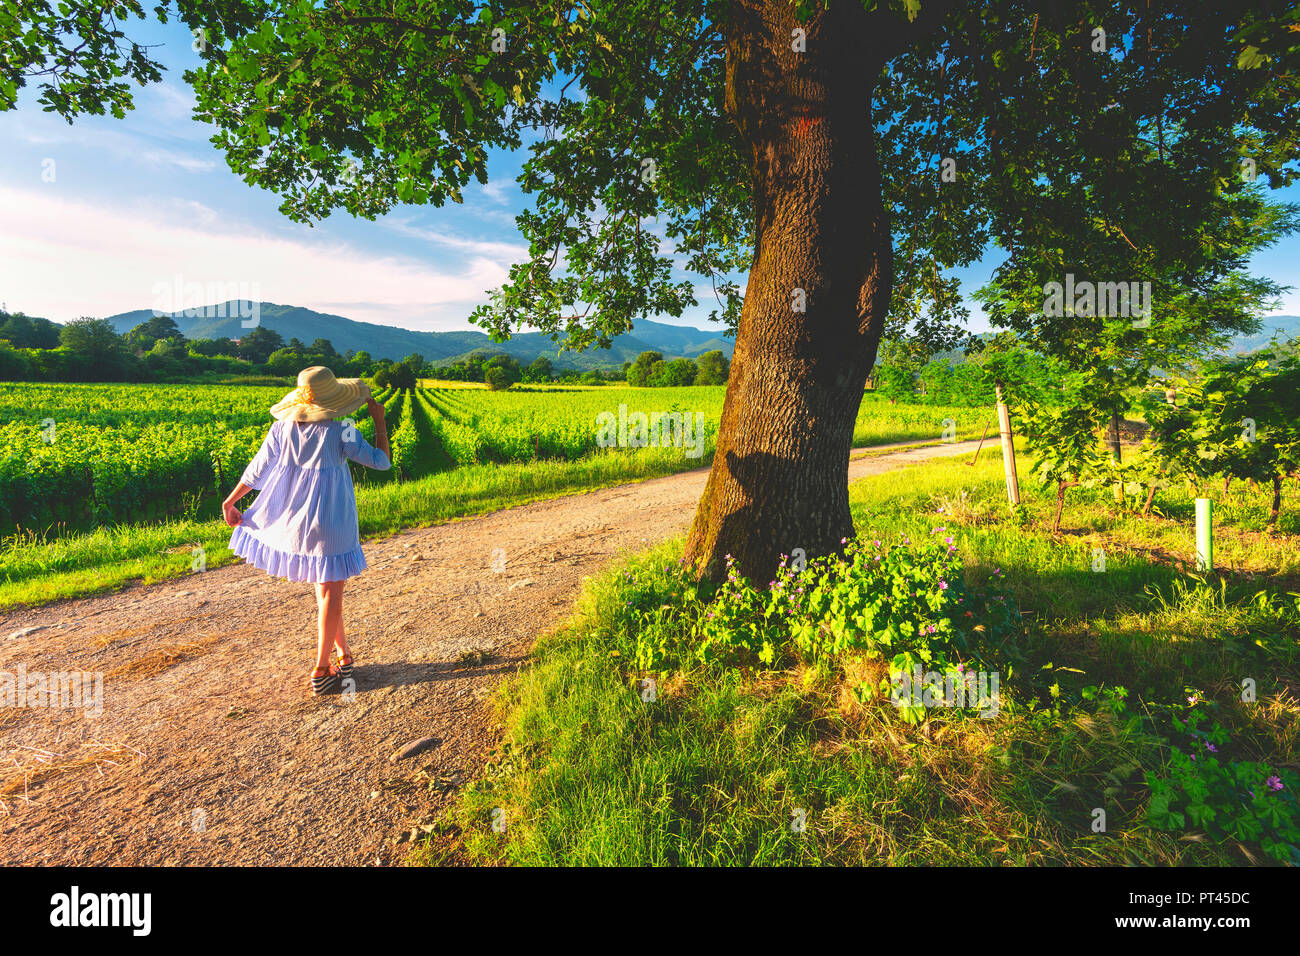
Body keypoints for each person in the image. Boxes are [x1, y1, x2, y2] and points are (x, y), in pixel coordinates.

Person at [222, 366, 391, 695]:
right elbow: (381, 462)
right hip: (332, 517)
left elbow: (257, 469)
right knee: (331, 590)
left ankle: (343, 654)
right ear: (333, 399)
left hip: (297, 517)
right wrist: (379, 422)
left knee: (325, 589)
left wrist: (230, 501)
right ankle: (321, 668)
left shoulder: (282, 427)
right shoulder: (341, 428)